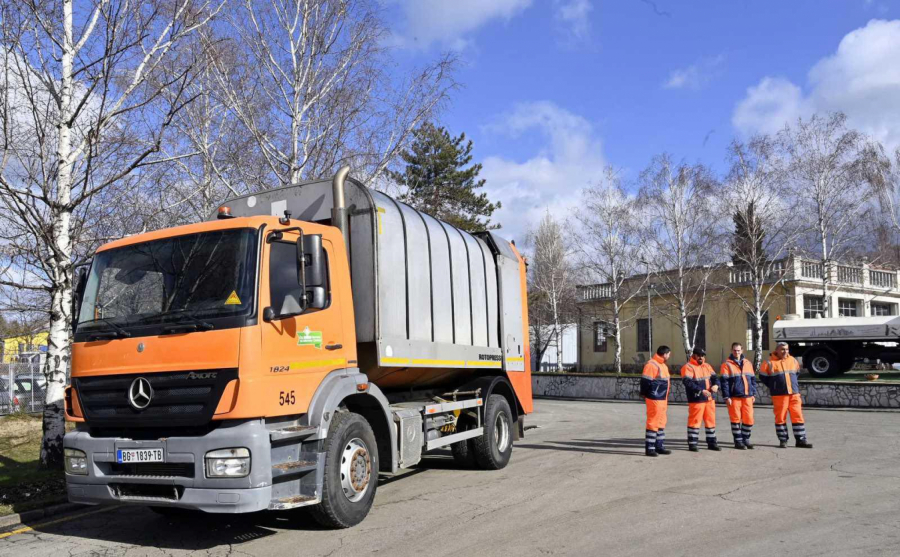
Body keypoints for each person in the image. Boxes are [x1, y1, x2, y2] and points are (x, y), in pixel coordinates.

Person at [759, 342, 813, 448]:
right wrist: (774, 386)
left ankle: (801, 440)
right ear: (777, 350)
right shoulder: (769, 362)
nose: (785, 351)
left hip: (794, 394)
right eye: (783, 349)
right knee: (780, 417)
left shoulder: (793, 360)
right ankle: (783, 440)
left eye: (787, 349)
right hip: (779, 395)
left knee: (797, 416)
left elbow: (797, 373)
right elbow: (763, 377)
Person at [681, 347, 720, 452]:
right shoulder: (688, 367)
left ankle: (712, 443)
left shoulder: (707, 366)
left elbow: (715, 378)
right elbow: (687, 382)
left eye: (702, 355)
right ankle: (692, 444)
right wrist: (701, 390)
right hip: (697, 398)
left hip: (709, 398)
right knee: (695, 421)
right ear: (694, 355)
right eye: (698, 355)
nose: (701, 357)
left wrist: (716, 385)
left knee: (710, 421)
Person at [720, 342, 758, 449]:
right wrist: (726, 397)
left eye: (738, 350)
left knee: (749, 419)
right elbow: (724, 382)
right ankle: (738, 441)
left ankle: (745, 439)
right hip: (734, 397)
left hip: (748, 396)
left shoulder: (748, 363)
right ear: (732, 351)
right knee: (736, 420)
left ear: (742, 350)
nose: (737, 352)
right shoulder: (726, 365)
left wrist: (753, 393)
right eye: (735, 350)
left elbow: (753, 380)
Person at [640, 346, 672, 457]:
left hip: (662, 399)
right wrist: (646, 395)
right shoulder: (652, 364)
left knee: (661, 422)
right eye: (669, 354)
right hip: (654, 398)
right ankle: (650, 448)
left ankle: (659, 446)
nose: (669, 356)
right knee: (653, 422)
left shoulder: (662, 365)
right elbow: (645, 382)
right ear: (665, 354)